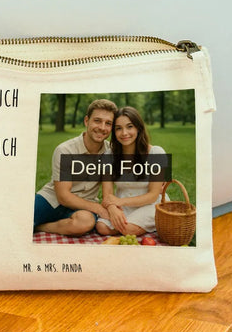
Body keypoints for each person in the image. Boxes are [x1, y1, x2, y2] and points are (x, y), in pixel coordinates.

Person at [33, 99, 115, 236]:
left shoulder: (110, 152)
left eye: (108, 123)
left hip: (84, 206)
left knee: (85, 223)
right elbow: (63, 197)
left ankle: (42, 227)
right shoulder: (65, 150)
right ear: (86, 121)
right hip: (51, 200)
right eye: (97, 121)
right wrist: (99, 209)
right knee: (18, 219)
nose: (102, 127)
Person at [96, 106, 168, 238]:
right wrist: (112, 209)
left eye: (129, 126)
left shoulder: (156, 153)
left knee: (127, 229)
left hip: (150, 204)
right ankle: (136, 225)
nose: (124, 133)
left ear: (138, 128)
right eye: (118, 128)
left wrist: (119, 202)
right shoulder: (109, 155)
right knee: (102, 227)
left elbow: (153, 195)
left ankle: (148, 223)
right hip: (121, 205)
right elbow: (107, 194)